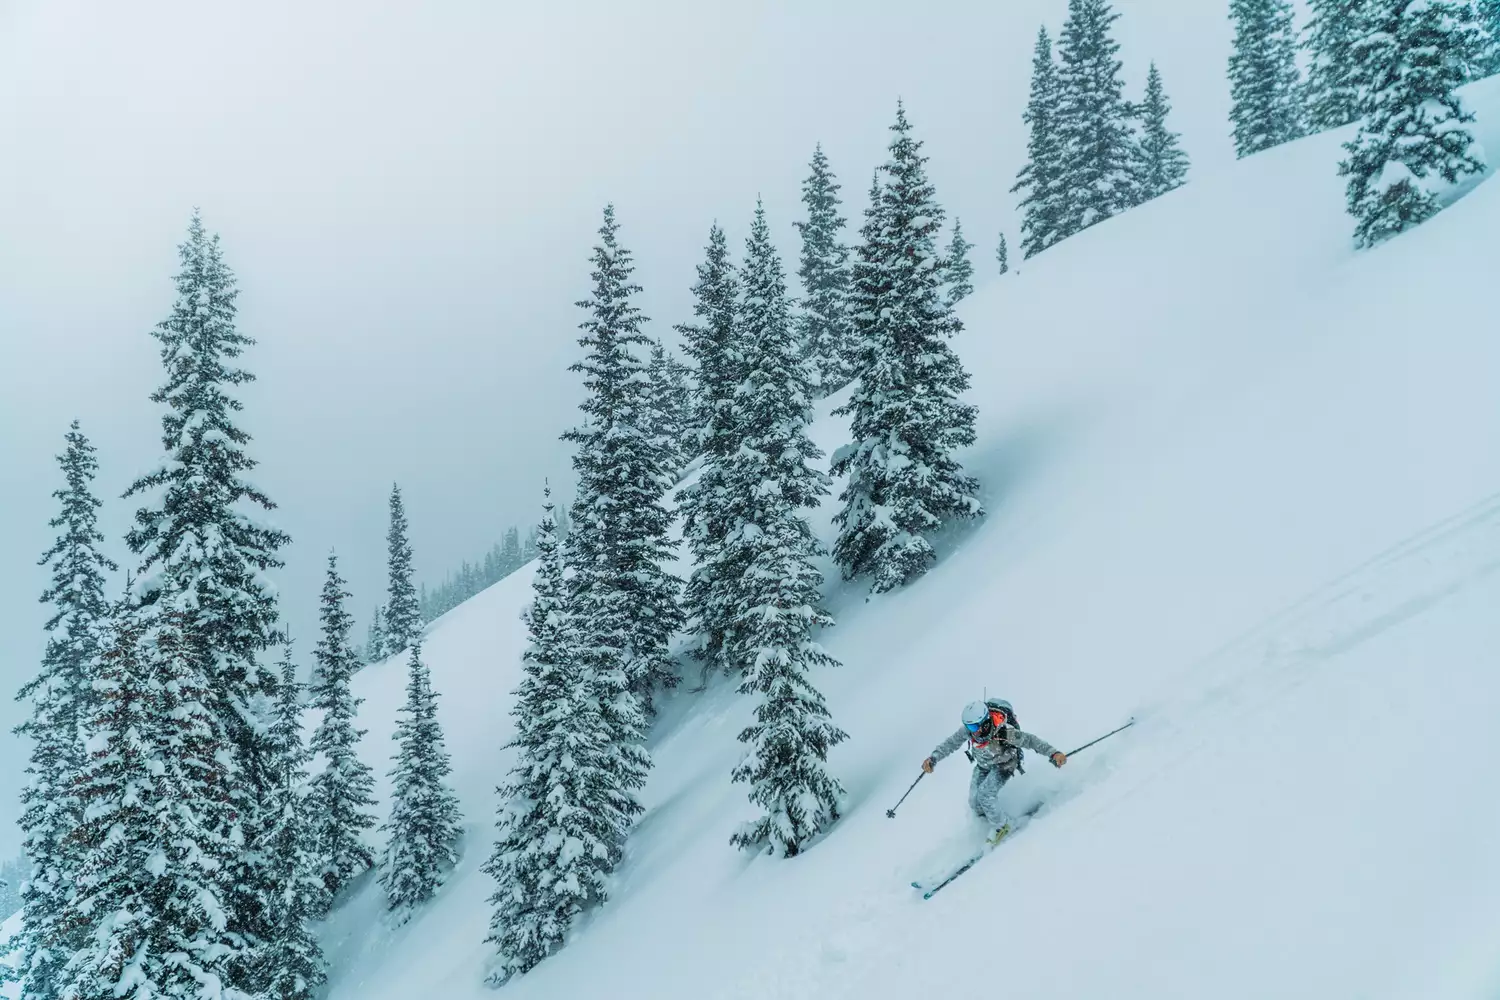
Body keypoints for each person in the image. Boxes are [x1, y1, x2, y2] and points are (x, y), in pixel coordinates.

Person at [922, 699, 1066, 843]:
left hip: (1004, 765)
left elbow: (1031, 741)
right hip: (984, 765)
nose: (971, 732)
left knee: (985, 794)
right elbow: (951, 743)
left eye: (973, 727)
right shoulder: (970, 731)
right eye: (968, 727)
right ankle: (988, 819)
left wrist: (1054, 753)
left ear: (984, 723)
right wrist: (933, 758)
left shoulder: (1005, 733)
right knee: (974, 802)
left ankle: (1004, 826)